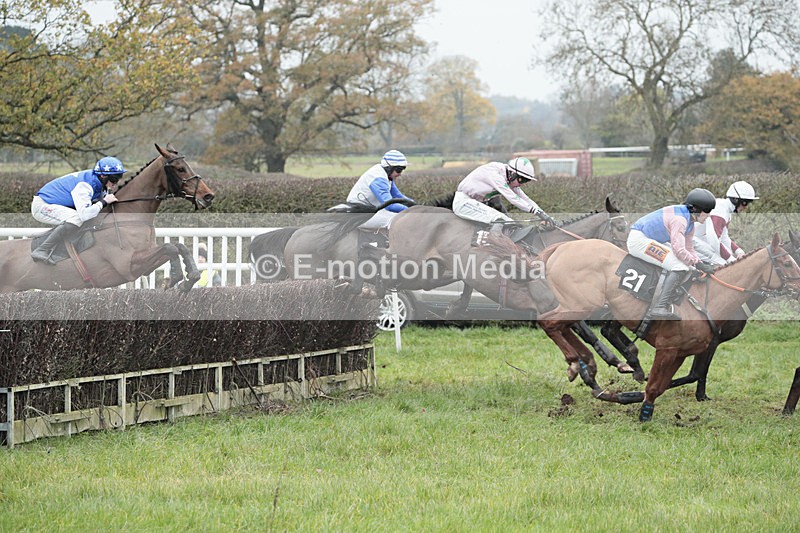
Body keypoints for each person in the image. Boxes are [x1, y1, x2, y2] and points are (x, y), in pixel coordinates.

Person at [627, 188, 717, 320]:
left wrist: (699, 263)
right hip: (639, 240)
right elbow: (679, 250)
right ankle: (659, 307)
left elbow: (689, 248)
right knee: (679, 266)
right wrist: (697, 263)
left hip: (650, 239)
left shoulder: (690, 221)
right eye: (707, 211)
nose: (709, 215)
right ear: (695, 210)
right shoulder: (680, 220)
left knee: (688, 266)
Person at [30, 156, 124, 264]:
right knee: (76, 218)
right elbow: (84, 214)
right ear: (102, 176)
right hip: (42, 205)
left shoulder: (98, 183)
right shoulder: (85, 185)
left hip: (55, 204)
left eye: (119, 178)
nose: (115, 183)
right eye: (113, 179)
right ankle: (42, 249)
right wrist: (103, 202)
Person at [452, 156, 556, 236]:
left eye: (526, 180)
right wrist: (537, 213)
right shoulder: (496, 174)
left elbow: (525, 199)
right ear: (512, 174)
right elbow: (513, 199)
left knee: (510, 222)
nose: (522, 184)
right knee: (500, 220)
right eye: (522, 179)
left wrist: (544, 214)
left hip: (477, 203)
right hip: (464, 203)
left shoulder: (509, 178)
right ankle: (491, 247)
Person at [693, 181, 758, 266]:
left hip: (699, 240)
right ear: (735, 200)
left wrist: (738, 251)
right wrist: (730, 258)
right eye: (745, 203)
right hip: (691, 242)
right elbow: (714, 240)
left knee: (727, 255)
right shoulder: (720, 211)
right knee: (724, 263)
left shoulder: (726, 211)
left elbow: (724, 237)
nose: (746, 207)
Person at [346, 150, 414, 229]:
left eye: (402, 170)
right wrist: (411, 211)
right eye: (399, 170)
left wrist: (415, 205)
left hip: (369, 210)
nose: (400, 174)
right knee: (397, 220)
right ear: (389, 168)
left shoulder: (386, 175)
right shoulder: (378, 178)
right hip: (358, 214)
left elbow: (398, 196)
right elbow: (390, 205)